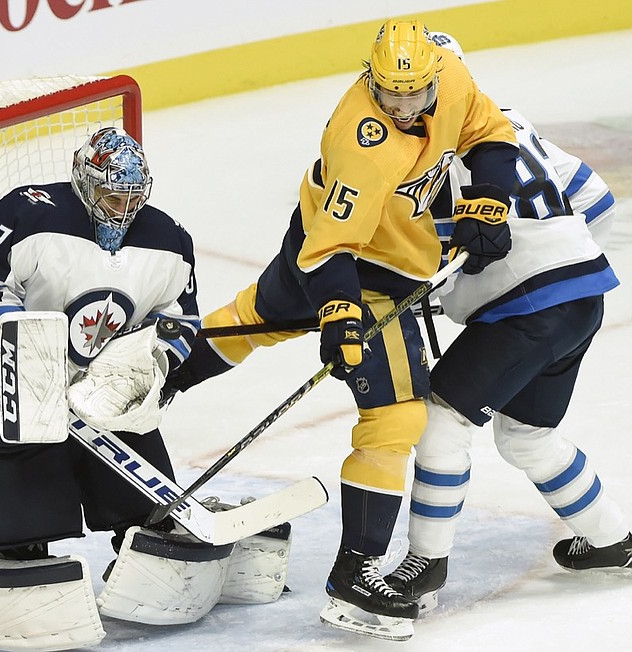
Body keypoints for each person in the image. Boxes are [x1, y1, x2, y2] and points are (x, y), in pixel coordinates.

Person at [163, 19, 518, 639]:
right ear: (369, 78)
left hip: (321, 241)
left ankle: (146, 376)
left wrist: (487, 199)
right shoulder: (361, 141)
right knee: (396, 417)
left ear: (435, 74)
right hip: (350, 264)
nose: (402, 107)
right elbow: (333, 252)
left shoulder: (451, 76)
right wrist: (341, 318)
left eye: (413, 94)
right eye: (388, 94)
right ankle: (356, 575)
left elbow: (490, 132)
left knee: (256, 317)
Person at [384, 32, 630, 615]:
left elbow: (432, 259)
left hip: (527, 308)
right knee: (527, 435)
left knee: (442, 421)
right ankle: (611, 540)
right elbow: (596, 201)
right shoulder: (510, 121)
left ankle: (425, 565)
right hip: (583, 294)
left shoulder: (429, 153)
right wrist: (558, 260)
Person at [0, 126, 200, 561]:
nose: (125, 210)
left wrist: (144, 365)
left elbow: (180, 321)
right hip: (22, 399)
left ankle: (145, 559)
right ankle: (20, 551)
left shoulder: (169, 239)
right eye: (114, 198)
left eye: (134, 198)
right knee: (26, 535)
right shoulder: (26, 213)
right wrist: (31, 349)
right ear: (85, 180)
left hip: (109, 401)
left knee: (151, 520)